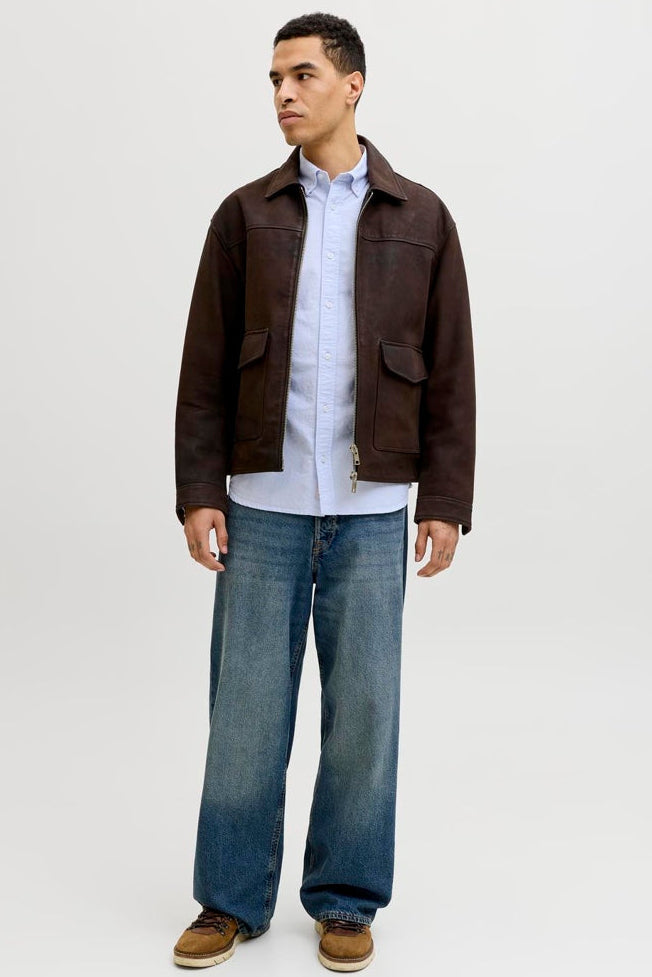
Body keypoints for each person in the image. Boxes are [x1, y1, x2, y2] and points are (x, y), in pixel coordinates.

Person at [172, 11, 475, 971]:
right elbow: (204, 366)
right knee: (245, 714)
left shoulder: (422, 218)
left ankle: (346, 898)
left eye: (301, 75)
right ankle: (229, 899)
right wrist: (200, 488)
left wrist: (444, 499)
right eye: (274, 79)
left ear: (353, 85)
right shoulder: (244, 214)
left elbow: (453, 370)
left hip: (374, 512)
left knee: (365, 718)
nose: (283, 94)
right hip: (261, 505)